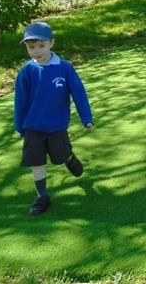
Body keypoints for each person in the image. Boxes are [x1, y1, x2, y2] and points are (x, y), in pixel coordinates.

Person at [14, 21, 94, 216]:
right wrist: (20, 125)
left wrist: (86, 118)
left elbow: (79, 93)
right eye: (31, 47)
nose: (36, 51)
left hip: (56, 126)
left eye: (41, 45)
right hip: (33, 126)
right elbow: (20, 100)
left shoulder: (65, 68)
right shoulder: (27, 71)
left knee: (60, 155)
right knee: (36, 162)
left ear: (52, 43)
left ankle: (68, 158)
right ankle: (42, 196)